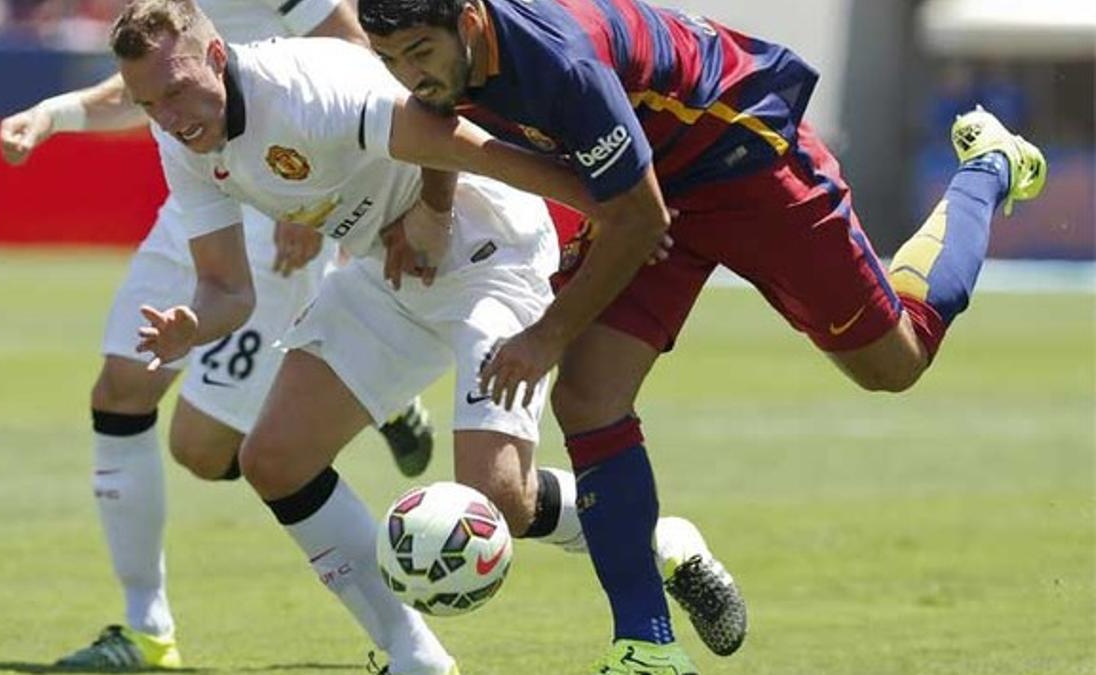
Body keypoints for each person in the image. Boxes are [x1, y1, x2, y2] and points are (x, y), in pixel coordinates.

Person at [357, 0, 1048, 671]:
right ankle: (648, 648)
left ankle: (988, 166)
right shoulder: (446, 57)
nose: (406, 73)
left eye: (419, 53)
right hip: (645, 185)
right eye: (388, 57)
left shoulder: (558, 61)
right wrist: (433, 209)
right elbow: (438, 115)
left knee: (895, 362)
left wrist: (546, 334)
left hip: (740, 151)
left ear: (472, 21)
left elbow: (639, 221)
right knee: (589, 396)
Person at [112, 1, 737, 671]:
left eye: (175, 91)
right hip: (391, 273)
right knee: (274, 458)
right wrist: (195, 323)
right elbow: (229, 289)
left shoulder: (306, 88)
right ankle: (414, 654)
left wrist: (611, 211)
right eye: (149, 104)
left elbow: (448, 129)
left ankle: (653, 538)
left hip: (487, 253)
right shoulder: (182, 140)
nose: (170, 117)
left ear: (213, 56)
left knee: (499, 497)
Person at [0, 0, 436, 668]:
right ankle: (148, 630)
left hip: (279, 201)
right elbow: (155, 88)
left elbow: (356, 51)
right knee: (119, 390)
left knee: (204, 450)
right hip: (197, 192)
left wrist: (315, 193)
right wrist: (57, 114)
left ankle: (366, 393)